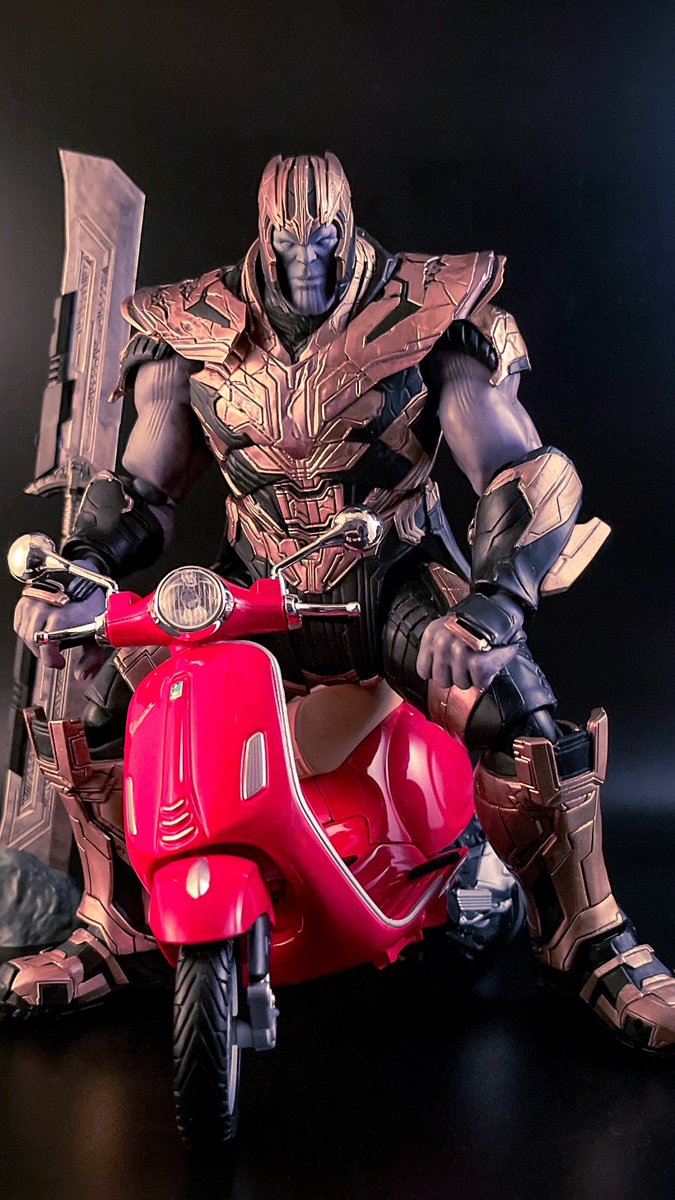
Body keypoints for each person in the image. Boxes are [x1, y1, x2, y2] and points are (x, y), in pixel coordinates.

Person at [7, 152, 675, 1050]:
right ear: (264, 229)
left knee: (520, 717)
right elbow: (144, 489)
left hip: (390, 581)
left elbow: (518, 470)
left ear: (345, 222)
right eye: (288, 237)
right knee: (98, 709)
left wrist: (492, 604)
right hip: (252, 590)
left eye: (320, 235)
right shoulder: (188, 324)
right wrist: (80, 569)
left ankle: (586, 939)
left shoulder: (432, 307)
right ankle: (115, 923)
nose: (304, 256)